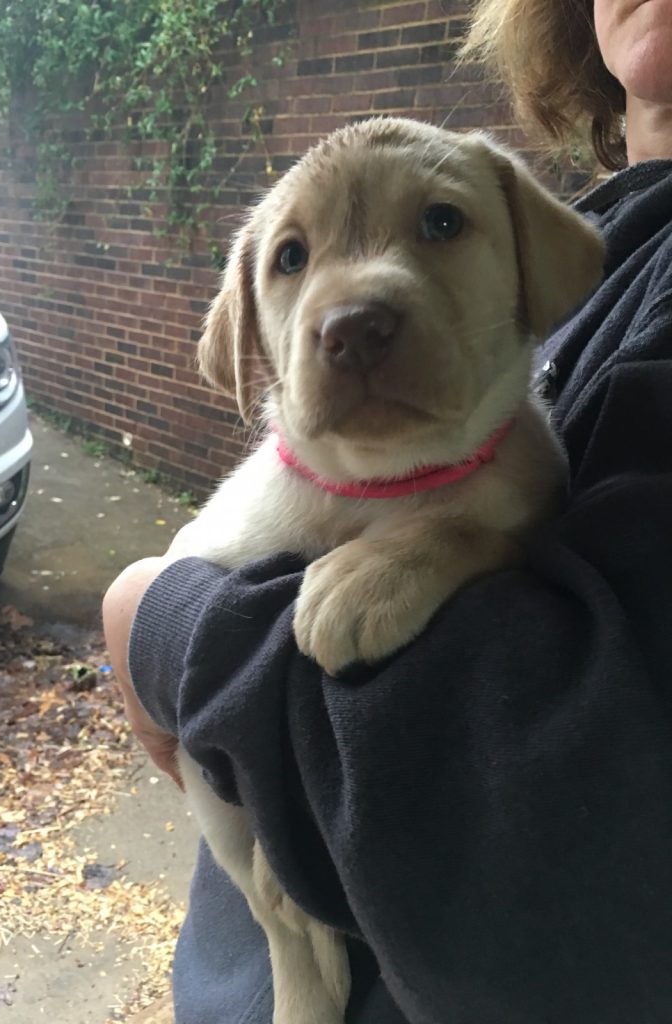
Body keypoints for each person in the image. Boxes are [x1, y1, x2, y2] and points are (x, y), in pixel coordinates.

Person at [103, 1, 672, 1020]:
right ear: (253, 341)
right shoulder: (620, 240)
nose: (355, 311)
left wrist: (159, 620)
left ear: (537, 266)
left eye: (440, 222)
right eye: (291, 258)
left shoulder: (534, 434)